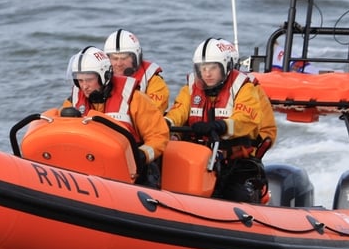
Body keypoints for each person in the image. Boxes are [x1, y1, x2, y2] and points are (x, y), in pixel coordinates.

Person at [165, 38, 277, 203]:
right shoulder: (190, 89)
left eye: (213, 68)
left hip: (235, 161)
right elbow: (179, 111)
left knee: (238, 195)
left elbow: (245, 119)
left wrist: (220, 126)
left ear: (226, 67)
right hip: (197, 158)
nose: (207, 74)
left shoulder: (244, 88)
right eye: (203, 68)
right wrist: (167, 123)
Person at [62, 46, 169, 184]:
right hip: (88, 166)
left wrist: (142, 155)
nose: (84, 86)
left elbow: (159, 135)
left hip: (131, 171)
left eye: (89, 80)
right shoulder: (73, 102)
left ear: (105, 77)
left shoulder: (134, 99)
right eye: (80, 81)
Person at [103, 29, 170, 112]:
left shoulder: (151, 80)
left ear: (136, 58)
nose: (119, 63)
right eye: (114, 58)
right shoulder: (99, 79)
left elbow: (153, 111)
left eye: (124, 58)